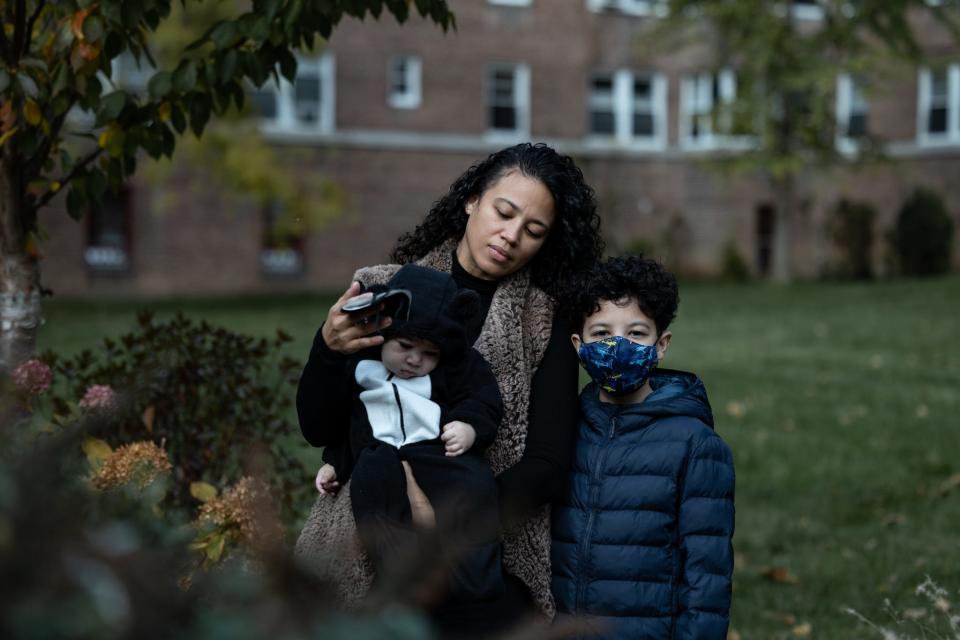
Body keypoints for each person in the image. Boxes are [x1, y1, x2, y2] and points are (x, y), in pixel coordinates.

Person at [295, 142, 604, 633]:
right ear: (471, 200)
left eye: (534, 230)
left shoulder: (543, 319)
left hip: (484, 552)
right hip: (364, 535)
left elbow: (547, 466)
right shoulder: (383, 290)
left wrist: (446, 525)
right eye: (504, 212)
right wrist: (328, 349)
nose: (511, 236)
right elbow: (318, 427)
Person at [550, 255, 735, 640]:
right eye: (601, 334)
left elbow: (707, 577)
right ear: (578, 345)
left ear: (661, 344)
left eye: (636, 333)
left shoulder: (695, 444)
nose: (618, 345)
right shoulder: (564, 428)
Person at [303, 263, 505, 603]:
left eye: (429, 354)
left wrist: (469, 427)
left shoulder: (452, 369)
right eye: (405, 346)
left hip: (434, 449)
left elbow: (483, 397)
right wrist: (335, 463)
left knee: (474, 480)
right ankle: (398, 569)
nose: (414, 360)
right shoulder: (361, 366)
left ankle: (478, 573)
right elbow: (350, 424)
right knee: (370, 484)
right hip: (379, 454)